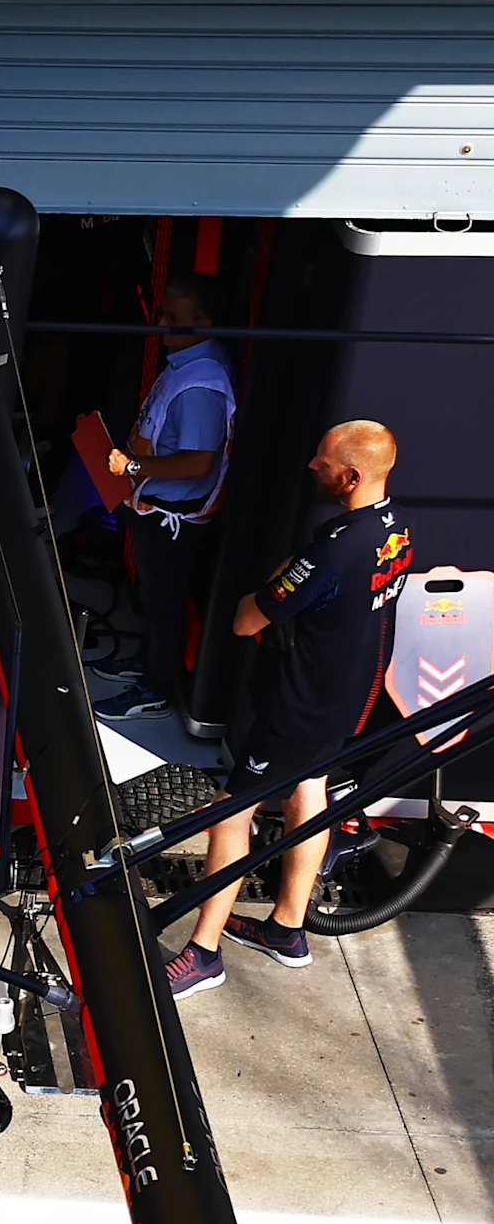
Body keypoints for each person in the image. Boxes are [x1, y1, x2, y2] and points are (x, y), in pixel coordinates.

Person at [165, 422, 411, 998]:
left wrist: (272, 583)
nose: (312, 466)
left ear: (350, 477)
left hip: (300, 710)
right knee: (310, 795)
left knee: (229, 812)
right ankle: (287, 929)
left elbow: (247, 618)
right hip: (351, 702)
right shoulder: (398, 526)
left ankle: (203, 952)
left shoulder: (335, 545)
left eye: (323, 461)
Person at [99, 275, 236, 722]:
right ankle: (145, 664)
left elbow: (199, 462)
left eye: (171, 319)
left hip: (170, 517)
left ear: (203, 323)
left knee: (165, 603)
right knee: (153, 599)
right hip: (153, 509)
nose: (159, 324)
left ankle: (155, 689)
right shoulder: (187, 361)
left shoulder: (201, 386)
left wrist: (132, 468)